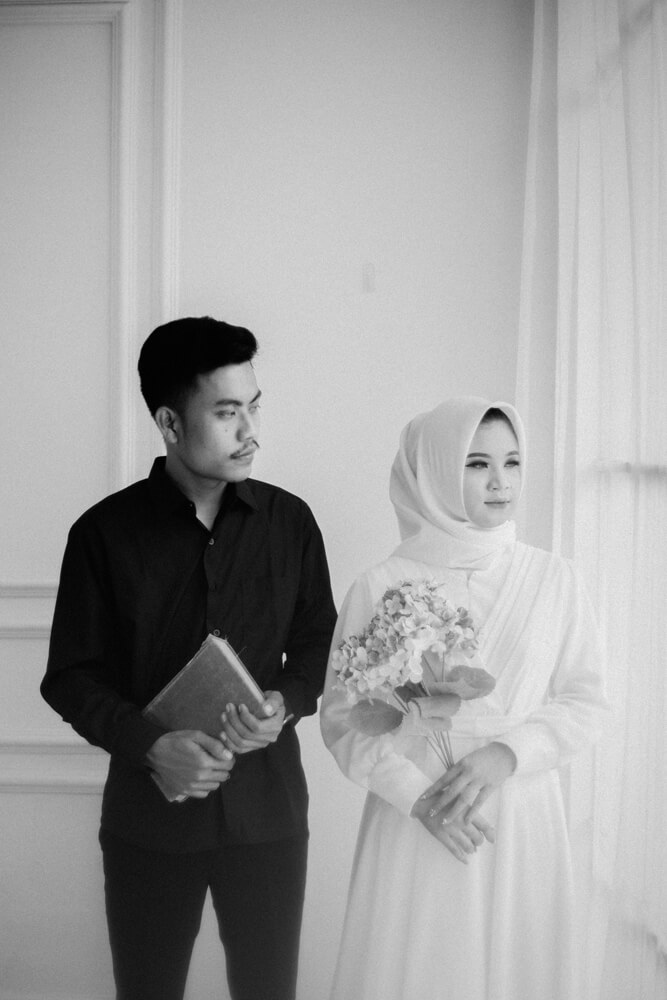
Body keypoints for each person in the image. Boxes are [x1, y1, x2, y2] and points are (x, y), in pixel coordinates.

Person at [41, 316, 337, 1000]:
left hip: (268, 816)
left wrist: (286, 703)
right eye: (227, 413)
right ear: (170, 423)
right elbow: (70, 677)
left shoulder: (290, 522)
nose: (250, 431)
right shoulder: (102, 534)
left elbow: (319, 637)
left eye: (254, 407)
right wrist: (151, 746)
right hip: (147, 823)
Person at [320, 396, 607, 1000]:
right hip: (419, 816)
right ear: (435, 472)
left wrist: (508, 753)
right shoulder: (381, 584)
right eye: (477, 464)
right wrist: (418, 799)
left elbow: (587, 701)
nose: (501, 482)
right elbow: (344, 718)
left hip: (521, 814)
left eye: (512, 461)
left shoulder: (556, 579)